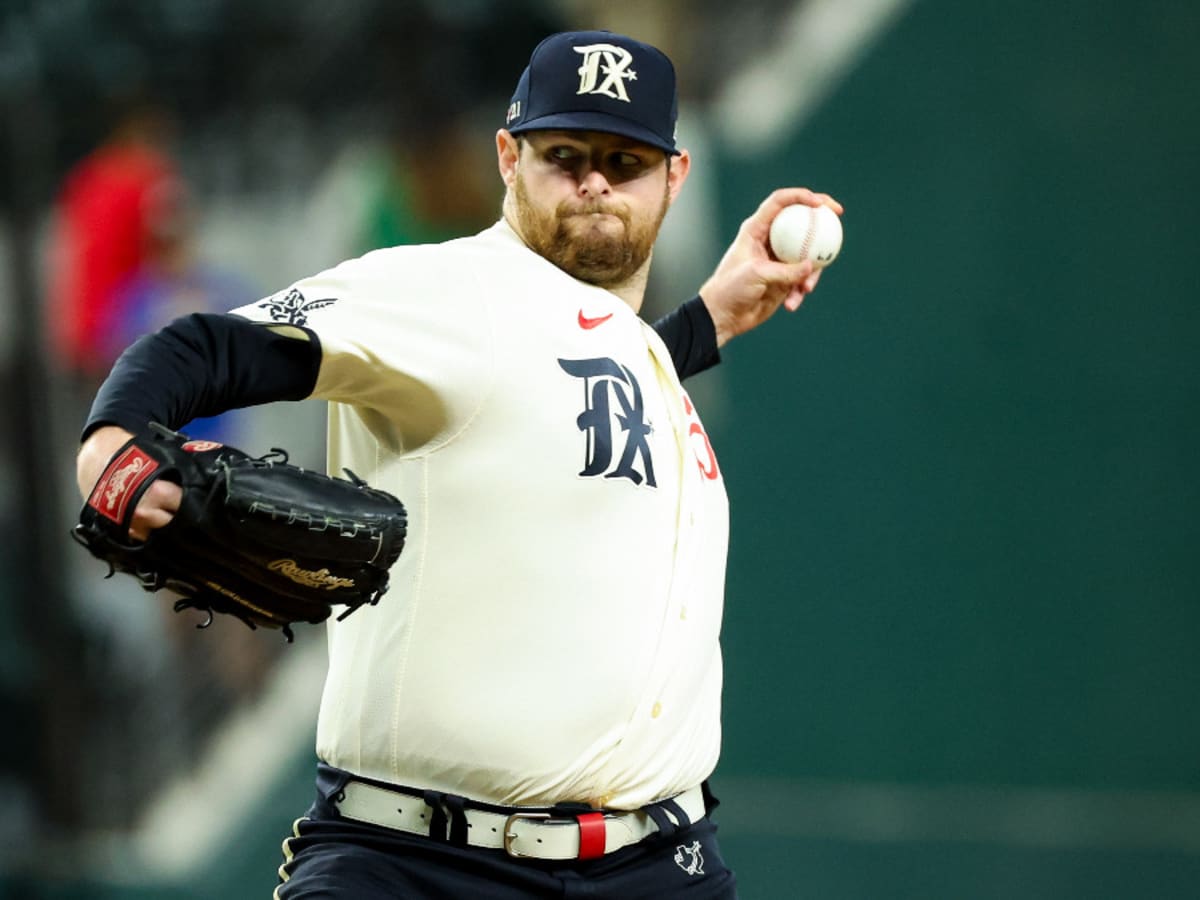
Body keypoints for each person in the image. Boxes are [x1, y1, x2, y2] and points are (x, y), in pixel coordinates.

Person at [74, 30, 841, 899]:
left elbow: (554, 407)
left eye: (624, 161)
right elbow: (212, 343)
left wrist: (706, 322)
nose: (594, 180)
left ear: (674, 178)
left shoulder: (633, 355)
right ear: (509, 157)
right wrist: (113, 435)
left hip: (662, 867)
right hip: (429, 865)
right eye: (566, 153)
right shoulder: (447, 289)